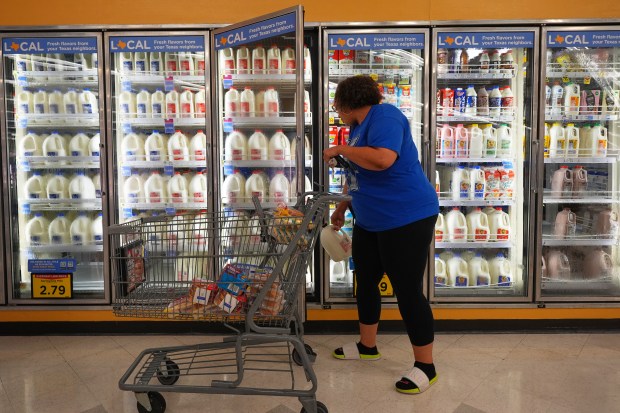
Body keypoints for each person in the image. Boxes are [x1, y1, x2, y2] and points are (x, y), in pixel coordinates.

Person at [323, 75, 439, 394]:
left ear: (345, 103)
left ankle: (426, 367)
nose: (337, 111)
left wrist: (340, 147)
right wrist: (343, 206)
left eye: (337, 105)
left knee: (407, 291)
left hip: (406, 217)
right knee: (366, 280)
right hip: (370, 220)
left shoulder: (385, 116)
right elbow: (359, 173)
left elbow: (383, 159)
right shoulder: (356, 128)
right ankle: (367, 346)